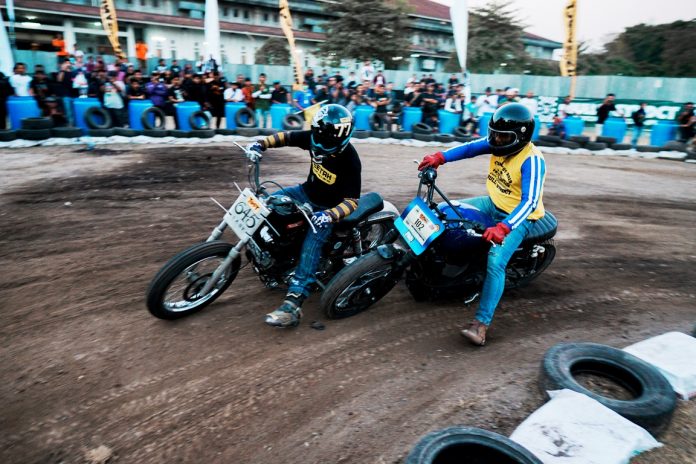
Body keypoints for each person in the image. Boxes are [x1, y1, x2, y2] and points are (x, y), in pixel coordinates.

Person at [417, 103, 546, 346]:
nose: (495, 140)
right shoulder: (498, 143)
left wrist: (504, 227)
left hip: (519, 217)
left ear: (521, 137)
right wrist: (440, 157)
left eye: (502, 136)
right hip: (492, 203)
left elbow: (529, 202)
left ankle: (481, 324)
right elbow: (469, 148)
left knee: (495, 262)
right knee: (447, 211)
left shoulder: (532, 160)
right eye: (494, 134)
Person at [247, 104, 362, 327]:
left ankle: (294, 302)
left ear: (339, 137)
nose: (318, 143)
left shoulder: (350, 160)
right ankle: (271, 257)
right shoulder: (314, 136)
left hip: (326, 209)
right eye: (317, 134)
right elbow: (287, 137)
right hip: (303, 192)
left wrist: (329, 215)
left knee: (312, 244)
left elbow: (352, 202)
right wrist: (261, 144)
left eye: (325, 138)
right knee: (266, 205)